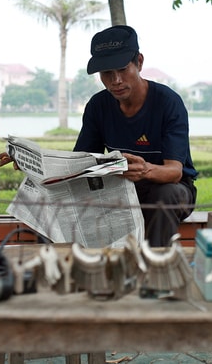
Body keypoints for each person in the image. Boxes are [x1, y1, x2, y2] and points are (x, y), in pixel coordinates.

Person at [73, 25, 197, 247]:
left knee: (164, 194)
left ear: (139, 62)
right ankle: (90, 269)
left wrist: (146, 170)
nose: (116, 80)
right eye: (107, 73)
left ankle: (156, 269)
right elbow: (81, 162)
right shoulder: (98, 105)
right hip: (120, 188)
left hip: (171, 190)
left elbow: (174, 172)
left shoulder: (168, 103)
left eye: (122, 69)